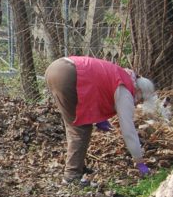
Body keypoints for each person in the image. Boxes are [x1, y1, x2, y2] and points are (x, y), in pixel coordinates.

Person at [44, 56, 160, 185]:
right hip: (69, 75)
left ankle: (78, 166)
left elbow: (97, 86)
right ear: (139, 91)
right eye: (140, 100)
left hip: (57, 67)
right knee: (80, 127)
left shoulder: (122, 74)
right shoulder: (126, 88)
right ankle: (72, 175)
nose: (137, 103)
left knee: (73, 124)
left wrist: (100, 118)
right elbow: (128, 131)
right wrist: (139, 162)